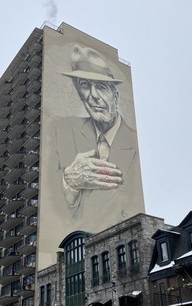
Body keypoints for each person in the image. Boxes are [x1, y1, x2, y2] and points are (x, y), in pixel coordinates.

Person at [48, 44, 144, 227]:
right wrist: (69, 181)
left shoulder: (133, 142)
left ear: (115, 96)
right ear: (79, 94)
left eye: (101, 86)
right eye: (85, 86)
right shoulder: (61, 130)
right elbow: (52, 203)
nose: (93, 96)